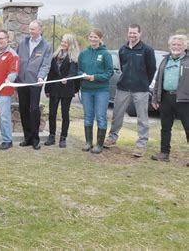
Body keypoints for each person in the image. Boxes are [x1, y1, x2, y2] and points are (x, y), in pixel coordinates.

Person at [104, 24, 156, 157]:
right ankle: (112, 137)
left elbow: (152, 69)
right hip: (123, 88)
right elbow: (123, 66)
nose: (132, 35)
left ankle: (141, 144)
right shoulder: (123, 49)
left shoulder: (147, 50)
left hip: (141, 89)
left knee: (142, 118)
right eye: (130, 33)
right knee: (117, 115)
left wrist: (144, 83)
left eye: (135, 33)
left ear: (140, 33)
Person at [151, 34, 189, 164]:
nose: (176, 47)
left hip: (184, 100)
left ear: (185, 46)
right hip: (166, 97)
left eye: (179, 45)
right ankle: (164, 153)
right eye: (174, 44)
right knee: (165, 127)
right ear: (170, 46)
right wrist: (155, 98)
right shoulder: (165, 60)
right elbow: (158, 80)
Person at [16, 20, 52, 150]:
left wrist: (41, 76)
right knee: (24, 109)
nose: (31, 31)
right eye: (30, 29)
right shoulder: (23, 42)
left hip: (36, 82)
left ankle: (35, 139)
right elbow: (16, 59)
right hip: (21, 82)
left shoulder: (46, 46)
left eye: (33, 29)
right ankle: (27, 138)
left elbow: (46, 64)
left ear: (40, 30)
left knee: (34, 110)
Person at [78, 29, 114, 154]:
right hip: (86, 90)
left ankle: (99, 144)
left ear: (100, 38)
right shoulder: (83, 54)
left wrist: (95, 77)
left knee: (100, 117)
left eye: (95, 37)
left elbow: (110, 72)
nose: (93, 39)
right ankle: (88, 142)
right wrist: (82, 75)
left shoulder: (105, 54)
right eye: (91, 37)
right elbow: (78, 70)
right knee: (88, 117)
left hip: (101, 91)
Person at [44, 34, 80, 148]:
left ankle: (63, 138)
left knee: (65, 114)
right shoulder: (55, 56)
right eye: (62, 41)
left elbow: (73, 72)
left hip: (66, 90)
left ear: (70, 44)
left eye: (66, 42)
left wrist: (67, 79)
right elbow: (51, 73)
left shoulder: (73, 58)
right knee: (52, 114)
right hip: (54, 89)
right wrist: (47, 89)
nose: (63, 44)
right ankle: (51, 136)